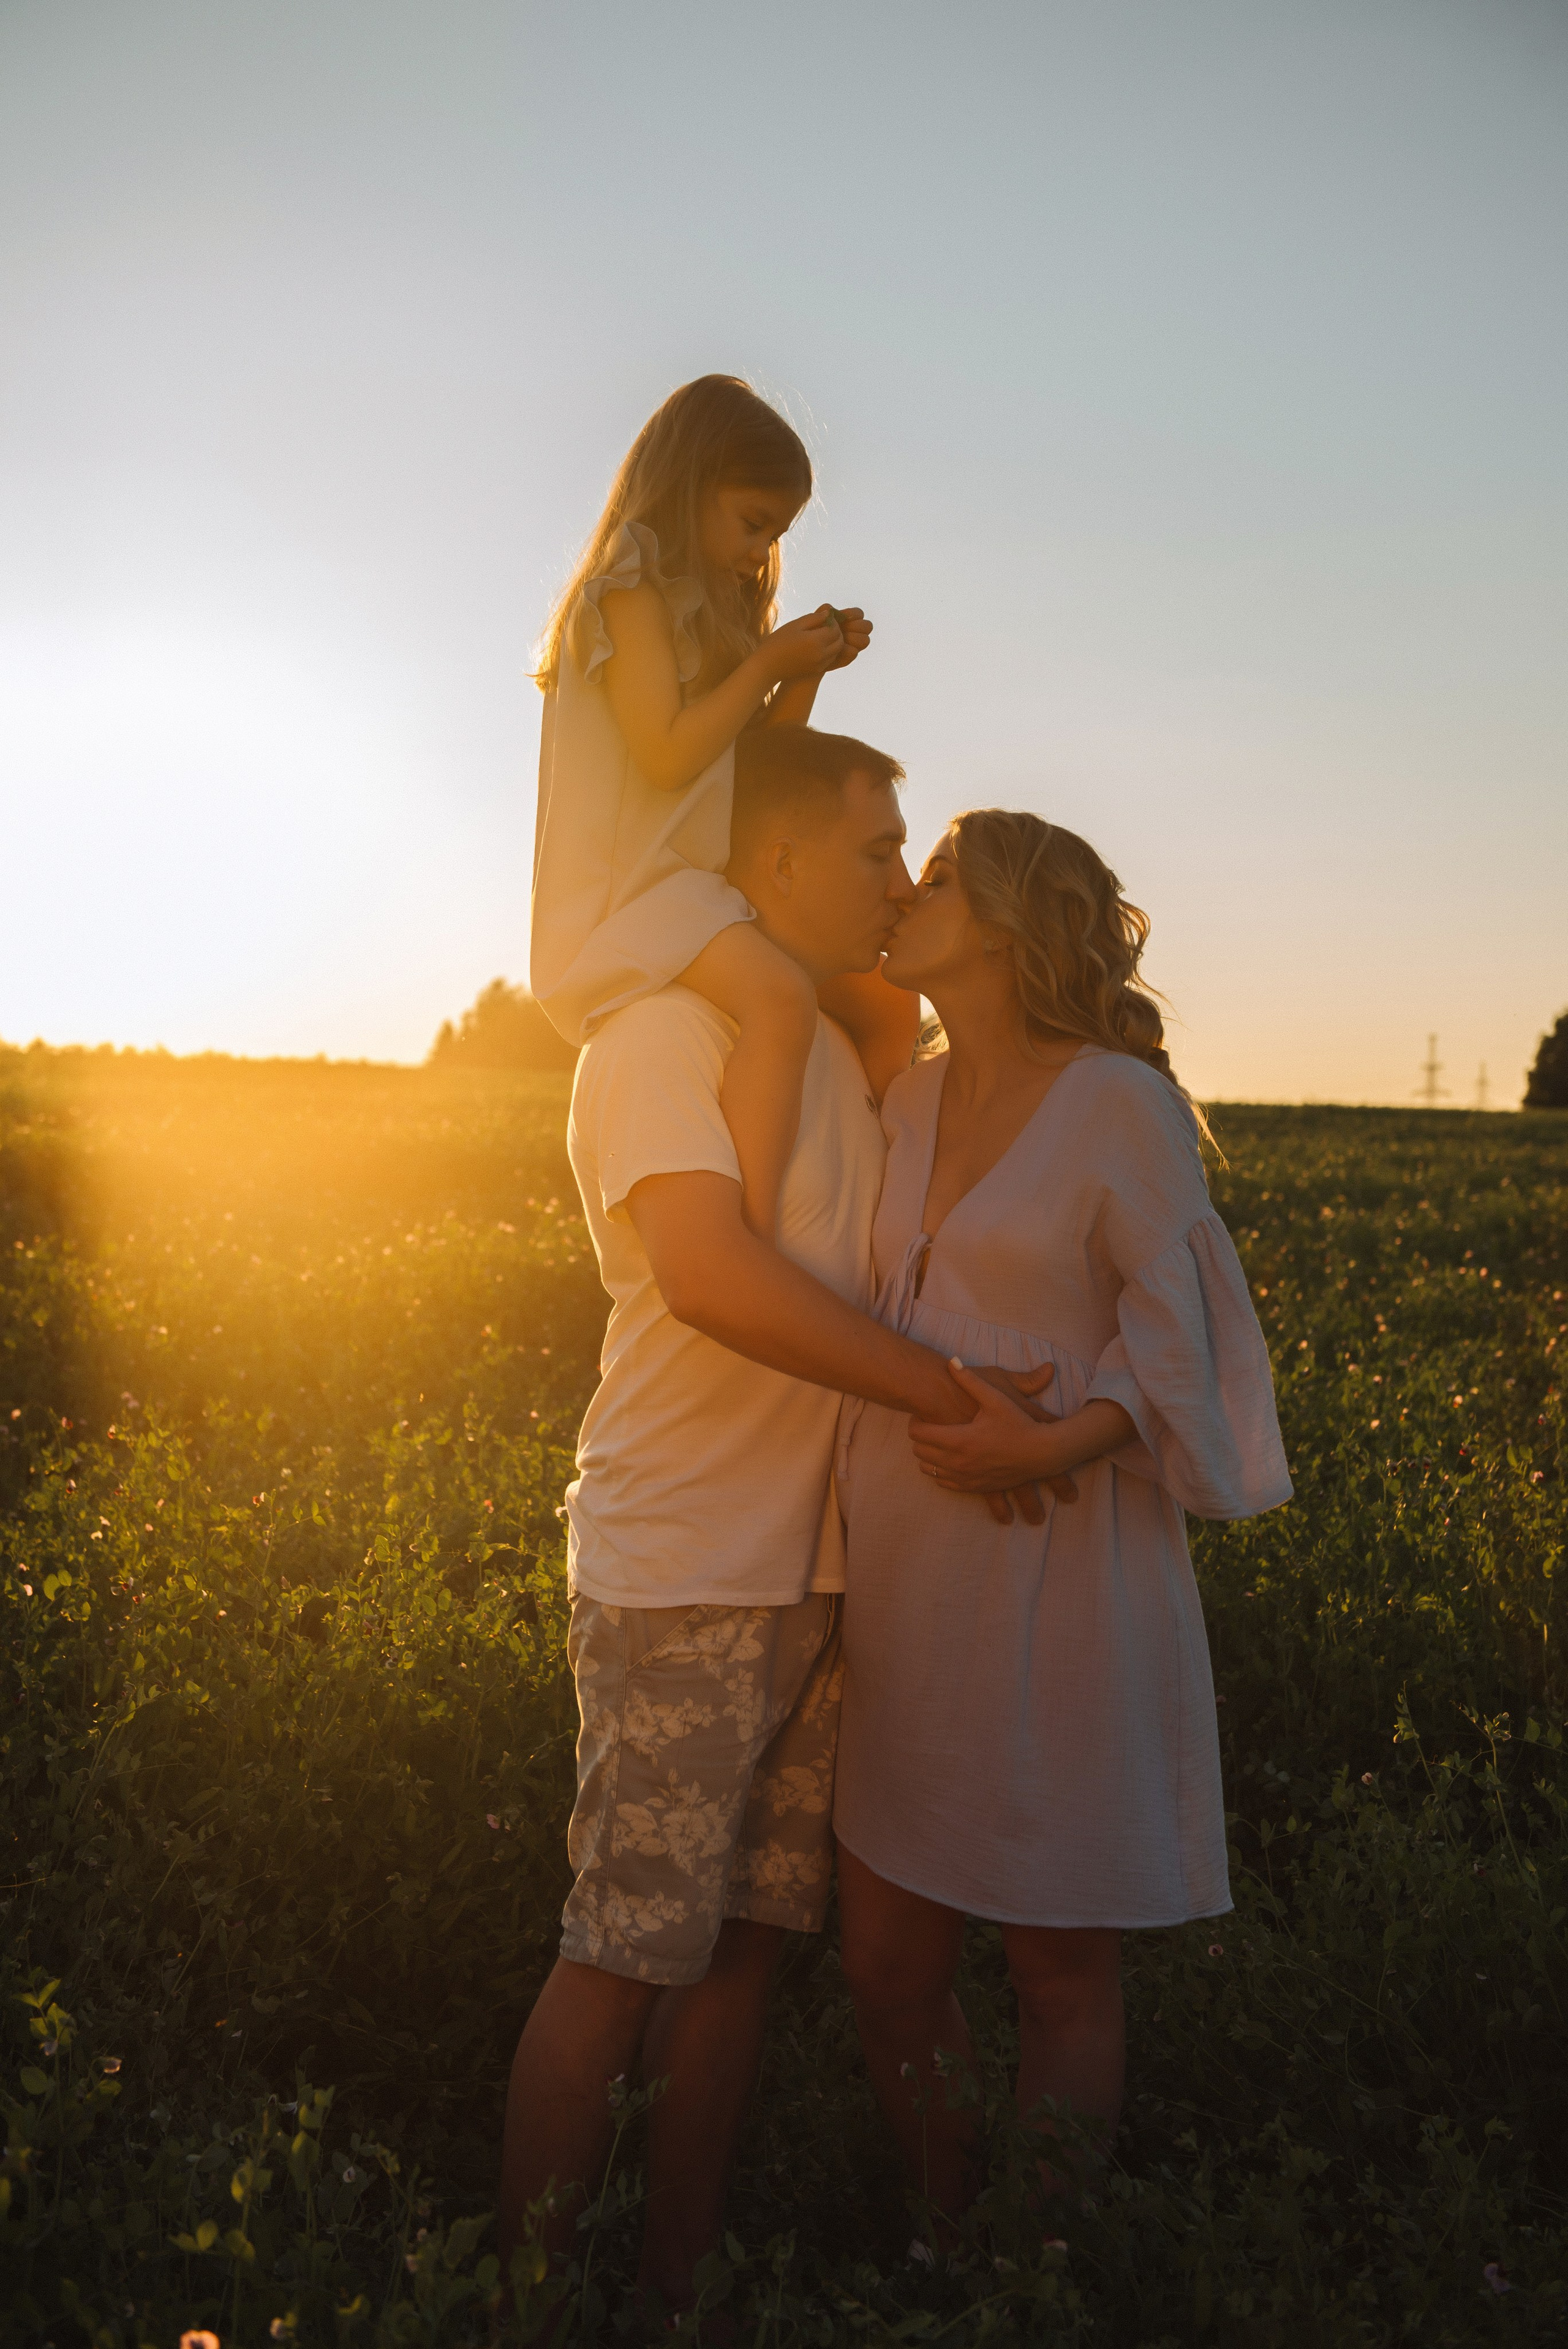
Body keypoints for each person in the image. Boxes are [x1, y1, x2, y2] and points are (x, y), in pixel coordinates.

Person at [499, 731, 1060, 2313]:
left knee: (742, 1954)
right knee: (621, 1957)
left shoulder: (830, 1049)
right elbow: (710, 1277)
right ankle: (518, 2314)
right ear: (776, 862)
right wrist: (951, 1393)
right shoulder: (657, 1035)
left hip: (819, 1579)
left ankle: (673, 2292)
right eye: (877, 848)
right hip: (684, 1569)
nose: (898, 878)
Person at [832, 808, 1292, 2222]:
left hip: (1065, 1570)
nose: (902, 893)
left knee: (1056, 1966)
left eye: (935, 876)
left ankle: (1031, 2278)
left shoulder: (1114, 1102)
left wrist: (1051, 1444)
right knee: (886, 1963)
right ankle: (940, 2235)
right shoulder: (901, 1098)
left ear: (1005, 922)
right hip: (904, 1579)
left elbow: (1183, 1336)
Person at [531, 371, 899, 1237]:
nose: (761, 551)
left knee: (877, 993)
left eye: (776, 534)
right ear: (690, 487)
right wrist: (768, 663)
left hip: (694, 889)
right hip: (631, 899)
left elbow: (751, 777)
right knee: (781, 999)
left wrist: (803, 672)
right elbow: (668, 754)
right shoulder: (630, 593)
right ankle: (754, 1229)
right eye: (752, 522)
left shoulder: (715, 615)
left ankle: (893, 1196)